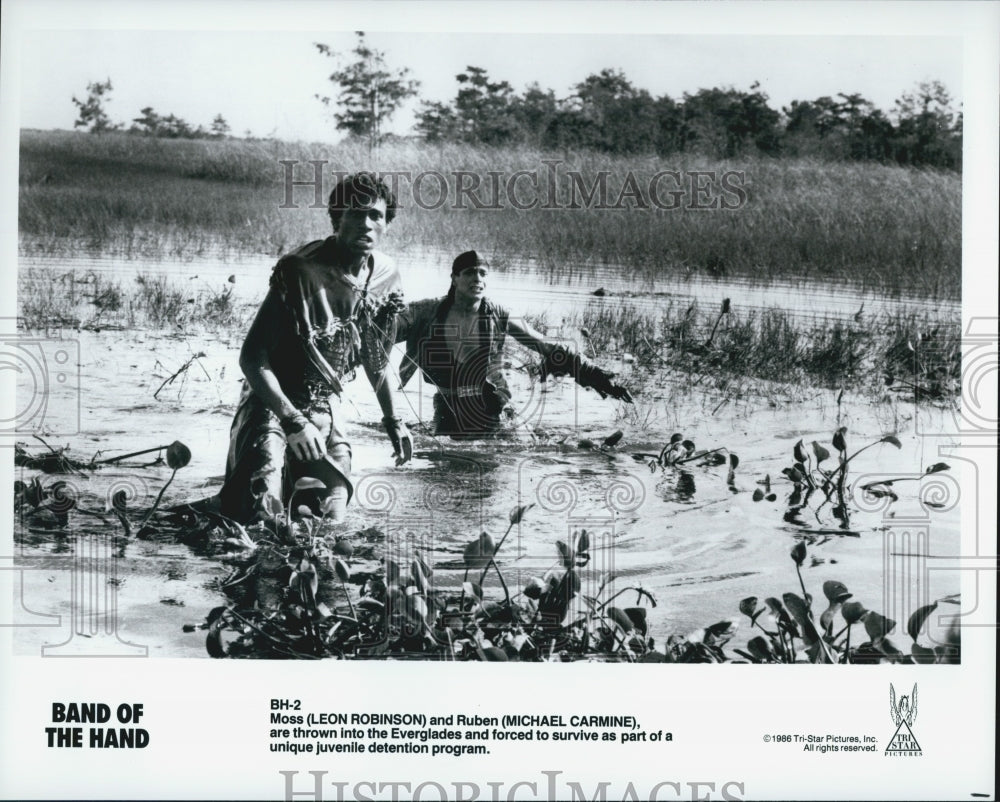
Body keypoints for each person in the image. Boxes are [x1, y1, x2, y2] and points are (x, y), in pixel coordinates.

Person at [218, 172, 412, 524]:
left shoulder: (386, 276)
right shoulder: (301, 270)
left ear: (387, 224)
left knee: (330, 520)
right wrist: (291, 420)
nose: (366, 224)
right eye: (355, 214)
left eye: (376, 216)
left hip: (321, 405)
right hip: (272, 405)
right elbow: (252, 356)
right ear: (337, 219)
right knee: (260, 517)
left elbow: (376, 358)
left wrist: (392, 420)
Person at [396, 250, 632, 438]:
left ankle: (583, 445)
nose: (477, 278)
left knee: (519, 445)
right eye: (469, 272)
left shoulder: (499, 314)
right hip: (447, 404)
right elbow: (383, 332)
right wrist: (384, 311)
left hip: (491, 403)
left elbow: (548, 347)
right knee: (438, 452)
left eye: (482, 273)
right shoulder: (426, 312)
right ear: (454, 278)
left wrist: (598, 376)